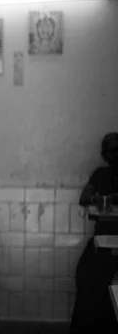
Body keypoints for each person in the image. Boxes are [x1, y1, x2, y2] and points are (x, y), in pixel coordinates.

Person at [70, 132, 118, 334]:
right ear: (104, 154)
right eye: (110, 151)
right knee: (86, 276)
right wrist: (98, 200)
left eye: (117, 150)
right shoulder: (101, 174)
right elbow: (84, 198)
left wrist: (113, 197)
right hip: (103, 241)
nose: (114, 155)